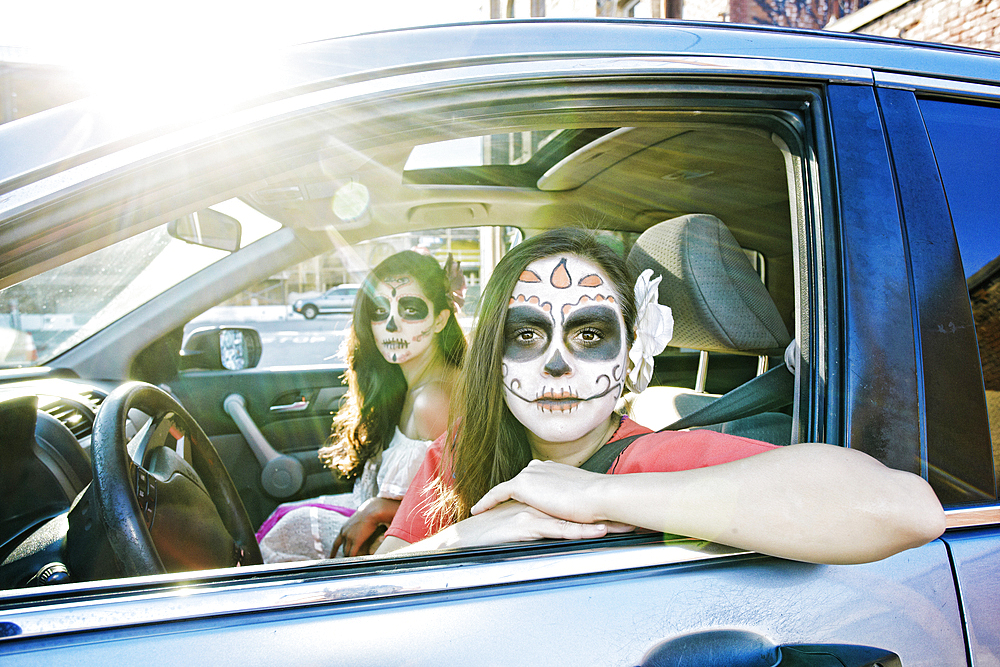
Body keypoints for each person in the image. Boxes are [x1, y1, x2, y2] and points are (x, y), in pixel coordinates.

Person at [376, 228, 945, 565]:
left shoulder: (667, 460)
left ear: (630, 357)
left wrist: (600, 496)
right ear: (492, 358)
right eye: (526, 335)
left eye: (590, 335)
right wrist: (460, 538)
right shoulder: (456, 454)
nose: (555, 362)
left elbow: (906, 511)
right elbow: (373, 589)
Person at [257, 250, 466, 561]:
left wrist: (380, 509)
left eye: (410, 309)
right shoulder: (409, 384)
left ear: (440, 320)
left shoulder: (432, 402)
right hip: (383, 528)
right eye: (380, 311)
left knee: (290, 530)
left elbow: (464, 508)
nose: (392, 325)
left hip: (404, 551)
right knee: (288, 517)